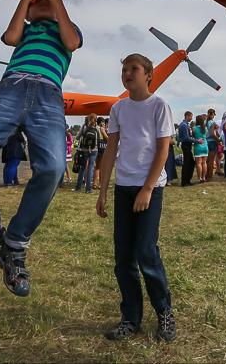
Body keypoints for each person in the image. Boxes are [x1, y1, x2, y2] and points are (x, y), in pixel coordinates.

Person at [0, 0, 81, 297]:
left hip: (48, 95)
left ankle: (13, 244)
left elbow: (72, 42)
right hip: (10, 88)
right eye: (34, 2)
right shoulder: (24, 31)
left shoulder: (65, 27)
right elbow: (10, 36)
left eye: (45, 1)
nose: (40, 2)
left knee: (54, 167)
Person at [95, 53, 176, 342]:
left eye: (134, 69)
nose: (128, 73)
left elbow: (162, 151)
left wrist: (147, 189)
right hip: (124, 187)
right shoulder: (118, 108)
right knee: (123, 257)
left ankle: (164, 312)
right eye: (124, 70)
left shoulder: (159, 106)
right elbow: (110, 150)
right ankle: (131, 317)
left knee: (145, 252)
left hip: (149, 189)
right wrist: (103, 191)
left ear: (148, 75)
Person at [74, 114, 100, 193]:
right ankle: (88, 188)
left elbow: (77, 137)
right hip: (94, 150)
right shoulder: (97, 128)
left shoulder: (84, 127)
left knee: (82, 168)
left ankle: (78, 187)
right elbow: (98, 138)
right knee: (90, 168)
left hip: (84, 150)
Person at [178, 111, 196, 186]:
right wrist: (196, 141)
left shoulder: (184, 125)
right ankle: (185, 181)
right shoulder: (184, 125)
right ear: (187, 116)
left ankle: (187, 180)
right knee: (187, 163)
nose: (191, 118)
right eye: (191, 116)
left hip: (186, 145)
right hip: (186, 144)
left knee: (190, 162)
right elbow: (186, 138)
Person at [193, 115, 209, 182]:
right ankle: (203, 177)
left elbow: (193, 136)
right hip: (205, 145)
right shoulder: (205, 128)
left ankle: (199, 178)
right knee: (204, 163)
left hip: (198, 146)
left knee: (198, 163)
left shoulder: (194, 128)